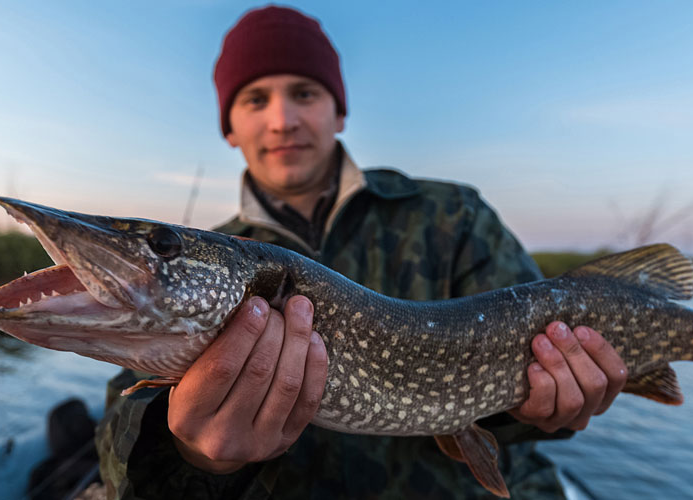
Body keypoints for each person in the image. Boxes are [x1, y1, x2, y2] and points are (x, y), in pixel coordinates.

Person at [94, 6, 628, 499]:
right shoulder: (200, 264)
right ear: (230, 128)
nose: (283, 120)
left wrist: (539, 407)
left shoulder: (453, 217)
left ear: (339, 112)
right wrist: (191, 454)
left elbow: (529, 396)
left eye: (305, 93)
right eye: (256, 100)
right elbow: (119, 430)